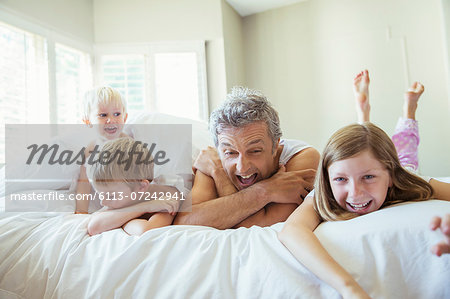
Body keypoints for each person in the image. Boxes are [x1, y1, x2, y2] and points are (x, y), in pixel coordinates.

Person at [278, 70, 450, 298]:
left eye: (368, 178)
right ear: (328, 179)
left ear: (390, 177)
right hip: (373, 162)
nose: (355, 193)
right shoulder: (324, 192)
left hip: (400, 166)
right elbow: (291, 231)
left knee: (406, 150)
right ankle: (363, 114)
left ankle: (409, 109)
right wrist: (348, 287)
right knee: (364, 151)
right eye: (340, 179)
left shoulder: (407, 179)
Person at [174, 86, 320, 229]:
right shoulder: (214, 163)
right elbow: (185, 221)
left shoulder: (302, 158)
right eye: (231, 152)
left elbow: (257, 225)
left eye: (255, 151)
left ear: (275, 145)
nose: (242, 167)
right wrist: (265, 191)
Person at [86, 137, 181, 236]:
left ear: (141, 187)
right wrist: (146, 207)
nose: (103, 202)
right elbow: (94, 226)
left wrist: (119, 221)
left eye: (111, 196)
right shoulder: (118, 198)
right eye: (100, 195)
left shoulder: (166, 197)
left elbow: (146, 230)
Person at [75, 86, 131, 214]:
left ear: (125, 118)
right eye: (103, 115)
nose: (111, 120)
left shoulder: (127, 144)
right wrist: (81, 211)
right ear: (88, 121)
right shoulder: (91, 149)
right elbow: (84, 183)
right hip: (107, 202)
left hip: (129, 199)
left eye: (117, 114)